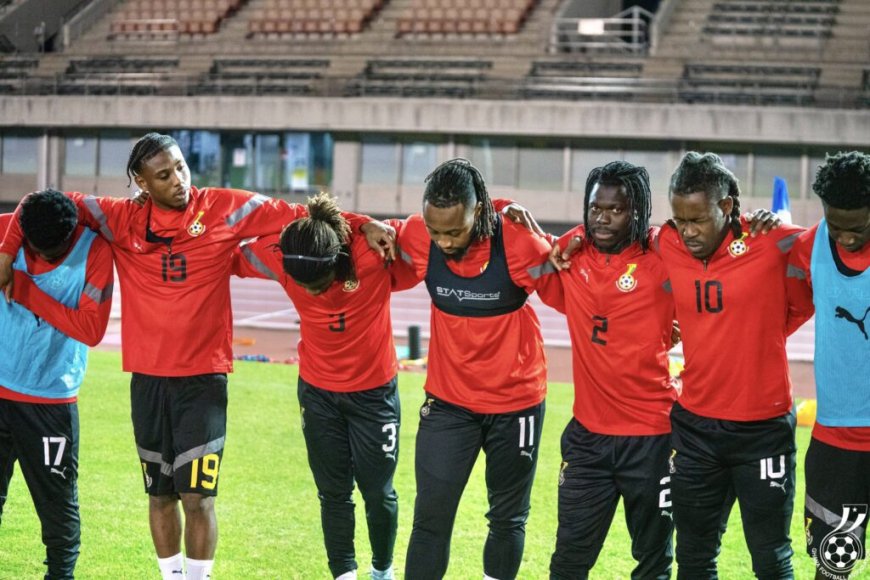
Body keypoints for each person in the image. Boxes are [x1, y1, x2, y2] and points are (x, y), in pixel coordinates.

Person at [0, 133, 391, 580]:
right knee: (160, 494)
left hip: (203, 380)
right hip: (147, 379)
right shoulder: (118, 218)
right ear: (141, 183)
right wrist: (8, 252)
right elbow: (38, 201)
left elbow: (303, 213)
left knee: (198, 497)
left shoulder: (224, 207)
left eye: (181, 167)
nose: (179, 180)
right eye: (163, 175)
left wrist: (364, 225)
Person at [232, 193, 418, 580]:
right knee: (333, 493)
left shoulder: (375, 249)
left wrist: (365, 222)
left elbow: (438, 226)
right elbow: (225, 254)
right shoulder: (279, 254)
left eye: (319, 283)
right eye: (304, 285)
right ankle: (343, 575)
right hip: (317, 394)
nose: (313, 292)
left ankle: (382, 571)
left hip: (374, 393)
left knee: (378, 493)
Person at [388, 158, 554, 580]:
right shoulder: (417, 237)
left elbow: (576, 283)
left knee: (507, 519)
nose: (442, 241)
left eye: (454, 230)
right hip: (449, 405)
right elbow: (363, 235)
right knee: (430, 519)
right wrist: (363, 224)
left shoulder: (516, 241)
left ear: (479, 211)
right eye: (435, 230)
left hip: (516, 404)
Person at [657, 152, 813, 579]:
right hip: (694, 430)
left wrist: (771, 327)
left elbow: (833, 239)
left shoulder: (772, 238)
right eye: (679, 218)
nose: (687, 231)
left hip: (762, 430)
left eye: (697, 219)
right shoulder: (666, 241)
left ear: (727, 206)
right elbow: (608, 235)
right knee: (693, 553)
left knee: (770, 555)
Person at [536, 161, 678, 580]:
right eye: (595, 208)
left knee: (653, 562)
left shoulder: (661, 259)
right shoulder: (570, 260)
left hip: (652, 438)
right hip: (588, 441)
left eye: (615, 210)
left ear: (637, 212)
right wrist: (571, 236)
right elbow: (522, 251)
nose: (601, 217)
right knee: (568, 561)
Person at [0, 189, 114, 579]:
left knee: (57, 506)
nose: (50, 258)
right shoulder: (5, 235)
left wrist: (26, 288)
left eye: (59, 250)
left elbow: (91, 328)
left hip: (50, 401)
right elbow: (26, 205)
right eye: (41, 250)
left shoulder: (95, 252)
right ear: (23, 234)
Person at [787, 151, 870, 580]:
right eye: (836, 224)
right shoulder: (809, 247)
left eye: (857, 226)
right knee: (834, 568)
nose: (845, 236)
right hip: (838, 441)